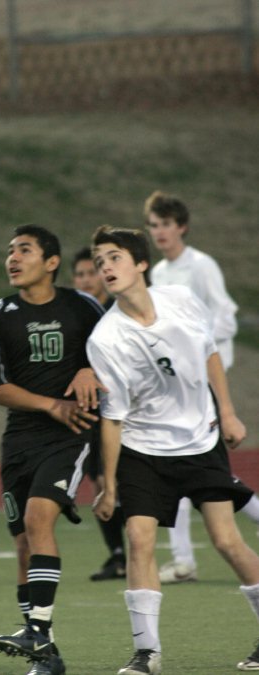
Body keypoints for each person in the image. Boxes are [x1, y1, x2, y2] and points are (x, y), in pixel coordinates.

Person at [86, 225, 259, 674]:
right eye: (99, 260)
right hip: (143, 451)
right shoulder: (105, 339)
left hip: (200, 443)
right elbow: (113, 417)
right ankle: (147, 654)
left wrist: (228, 412)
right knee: (139, 539)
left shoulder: (181, 299)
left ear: (141, 263)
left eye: (114, 257)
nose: (106, 266)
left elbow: (209, 354)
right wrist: (107, 485)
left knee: (226, 540)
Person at [0, 224, 105, 675]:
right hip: (20, 439)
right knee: (21, 547)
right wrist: (50, 403)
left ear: (51, 263)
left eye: (24, 250)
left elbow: (116, 350)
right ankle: (47, 656)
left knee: (38, 519)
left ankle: (36, 631)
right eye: (9, 251)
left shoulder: (82, 306)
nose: (12, 258)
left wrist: (90, 367)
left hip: (69, 435)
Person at [145, 190, 259, 585]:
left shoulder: (202, 266)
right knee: (174, 467)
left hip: (209, 383)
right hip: (179, 386)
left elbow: (226, 316)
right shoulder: (158, 274)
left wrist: (199, 345)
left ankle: (187, 559)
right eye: (153, 225)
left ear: (182, 226)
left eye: (165, 224)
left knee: (205, 474)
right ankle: (183, 561)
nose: (159, 232)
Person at [72, 247, 127, 581]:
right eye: (79, 275)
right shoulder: (74, 313)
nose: (85, 280)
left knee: (126, 481)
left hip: (125, 412)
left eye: (90, 272)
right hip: (94, 412)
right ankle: (118, 555)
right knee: (100, 482)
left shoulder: (117, 312)